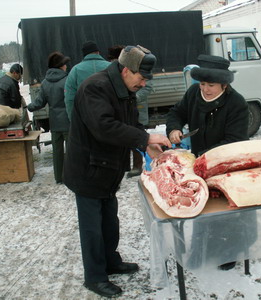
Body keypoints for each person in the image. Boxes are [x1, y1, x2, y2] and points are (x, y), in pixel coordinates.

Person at [63, 45, 171, 298]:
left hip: (108, 169)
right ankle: (95, 277)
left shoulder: (124, 88)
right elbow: (104, 127)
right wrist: (144, 137)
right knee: (92, 228)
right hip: (88, 169)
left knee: (109, 222)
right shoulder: (95, 87)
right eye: (141, 78)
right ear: (125, 70)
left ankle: (111, 261)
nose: (143, 84)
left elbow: (130, 123)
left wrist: (146, 146)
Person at [166, 54, 250, 271]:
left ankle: (228, 251)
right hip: (198, 163)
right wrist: (174, 128)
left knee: (225, 210)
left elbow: (234, 141)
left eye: (211, 84)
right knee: (201, 207)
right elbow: (177, 112)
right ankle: (199, 247)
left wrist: (203, 158)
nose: (205, 89)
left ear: (224, 84)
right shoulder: (194, 93)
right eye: (202, 83)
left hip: (226, 166)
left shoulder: (237, 103)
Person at [107, 45, 153, 178]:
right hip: (96, 175)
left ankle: (136, 166)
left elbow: (133, 124)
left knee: (135, 134)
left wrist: (147, 143)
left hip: (137, 107)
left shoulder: (133, 79)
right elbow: (107, 127)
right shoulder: (100, 86)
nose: (143, 84)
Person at [28, 52, 71, 184]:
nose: (66, 66)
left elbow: (39, 102)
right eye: (64, 64)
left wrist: (29, 107)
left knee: (57, 152)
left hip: (55, 123)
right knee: (71, 151)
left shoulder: (45, 83)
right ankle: (71, 177)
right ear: (60, 66)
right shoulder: (67, 80)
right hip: (68, 122)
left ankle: (58, 177)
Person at [64, 41, 110, 120]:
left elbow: (70, 99)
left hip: (87, 119)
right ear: (98, 52)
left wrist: (73, 120)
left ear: (84, 54)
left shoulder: (75, 70)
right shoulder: (111, 67)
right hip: (111, 117)